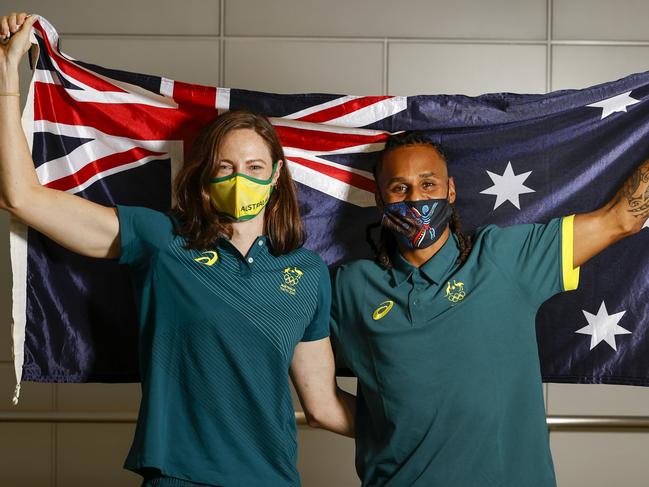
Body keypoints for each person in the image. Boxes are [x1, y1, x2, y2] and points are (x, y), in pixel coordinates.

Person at [0, 12, 354, 487]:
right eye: (225, 167)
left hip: (272, 478)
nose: (239, 178)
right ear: (205, 176)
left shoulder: (306, 271)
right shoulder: (161, 240)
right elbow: (21, 198)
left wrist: (430, 430)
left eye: (254, 166)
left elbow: (323, 405)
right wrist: (7, 74)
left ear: (275, 178)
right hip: (177, 476)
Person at [330, 131, 649, 486]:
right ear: (379, 199)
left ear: (450, 190)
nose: (416, 198)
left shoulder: (505, 256)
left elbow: (621, 219)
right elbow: (308, 384)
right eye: (399, 188)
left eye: (428, 184)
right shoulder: (350, 285)